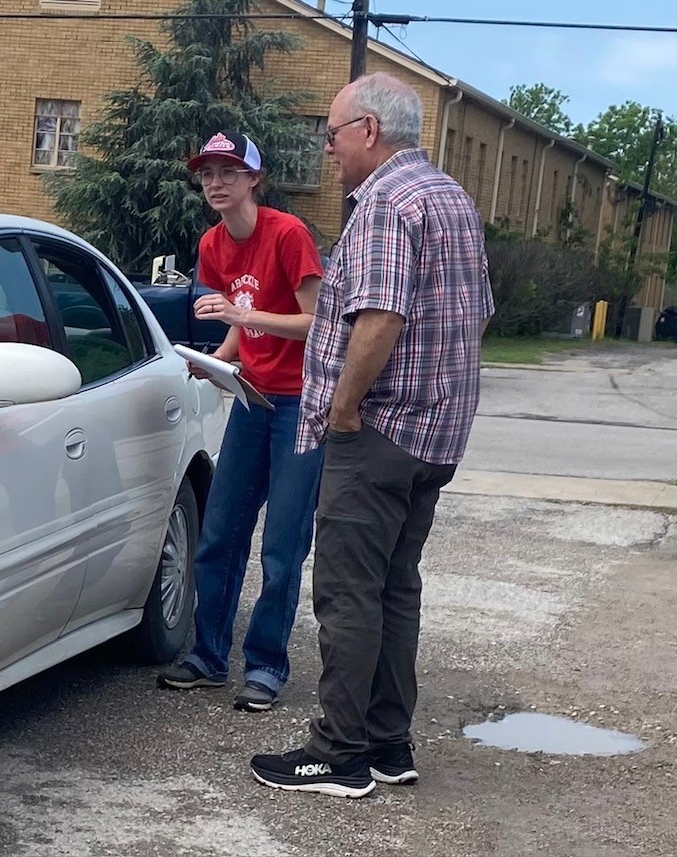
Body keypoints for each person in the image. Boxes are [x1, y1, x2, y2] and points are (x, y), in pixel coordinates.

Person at [249, 73, 495, 797]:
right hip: (436, 433)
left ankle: (339, 752)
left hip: (381, 428)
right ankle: (389, 741)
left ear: (368, 130)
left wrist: (346, 409)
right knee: (394, 588)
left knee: (347, 591)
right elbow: (477, 311)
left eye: (331, 134)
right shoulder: (450, 196)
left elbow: (379, 318)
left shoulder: (386, 202)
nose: (327, 149)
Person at [156, 130, 324, 713]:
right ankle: (208, 656)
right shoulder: (212, 244)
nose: (216, 183)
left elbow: (319, 324)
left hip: (301, 404)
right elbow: (241, 325)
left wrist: (241, 313)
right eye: (207, 174)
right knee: (220, 532)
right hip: (252, 398)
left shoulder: (289, 234)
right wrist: (218, 361)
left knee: (282, 546)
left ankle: (266, 668)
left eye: (229, 172)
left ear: (255, 178)